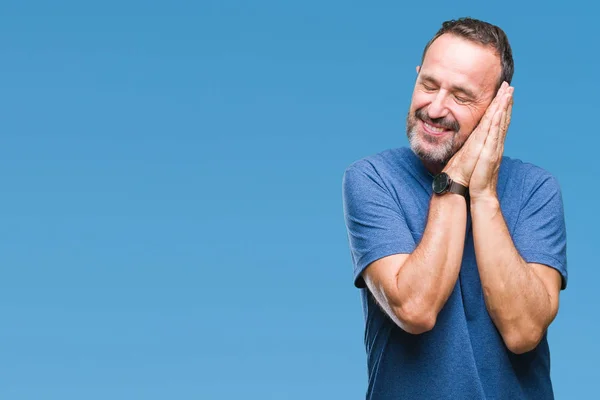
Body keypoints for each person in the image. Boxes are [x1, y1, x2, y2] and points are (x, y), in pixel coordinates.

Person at [342, 17, 567, 399]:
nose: (435, 108)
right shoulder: (372, 178)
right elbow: (415, 308)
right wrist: (456, 178)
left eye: (461, 96)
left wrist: (482, 195)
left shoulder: (536, 190)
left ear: (498, 105)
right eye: (428, 85)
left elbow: (524, 332)